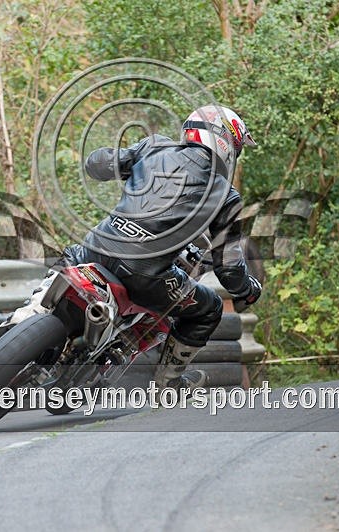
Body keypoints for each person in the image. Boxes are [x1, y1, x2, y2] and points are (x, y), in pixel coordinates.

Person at [55, 104, 263, 390]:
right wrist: (248, 289)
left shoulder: (154, 147)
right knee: (211, 308)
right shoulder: (225, 194)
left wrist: (111, 161)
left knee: (67, 258)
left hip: (98, 248)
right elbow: (228, 269)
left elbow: (96, 165)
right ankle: (168, 383)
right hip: (145, 275)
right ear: (225, 142)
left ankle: (26, 316)